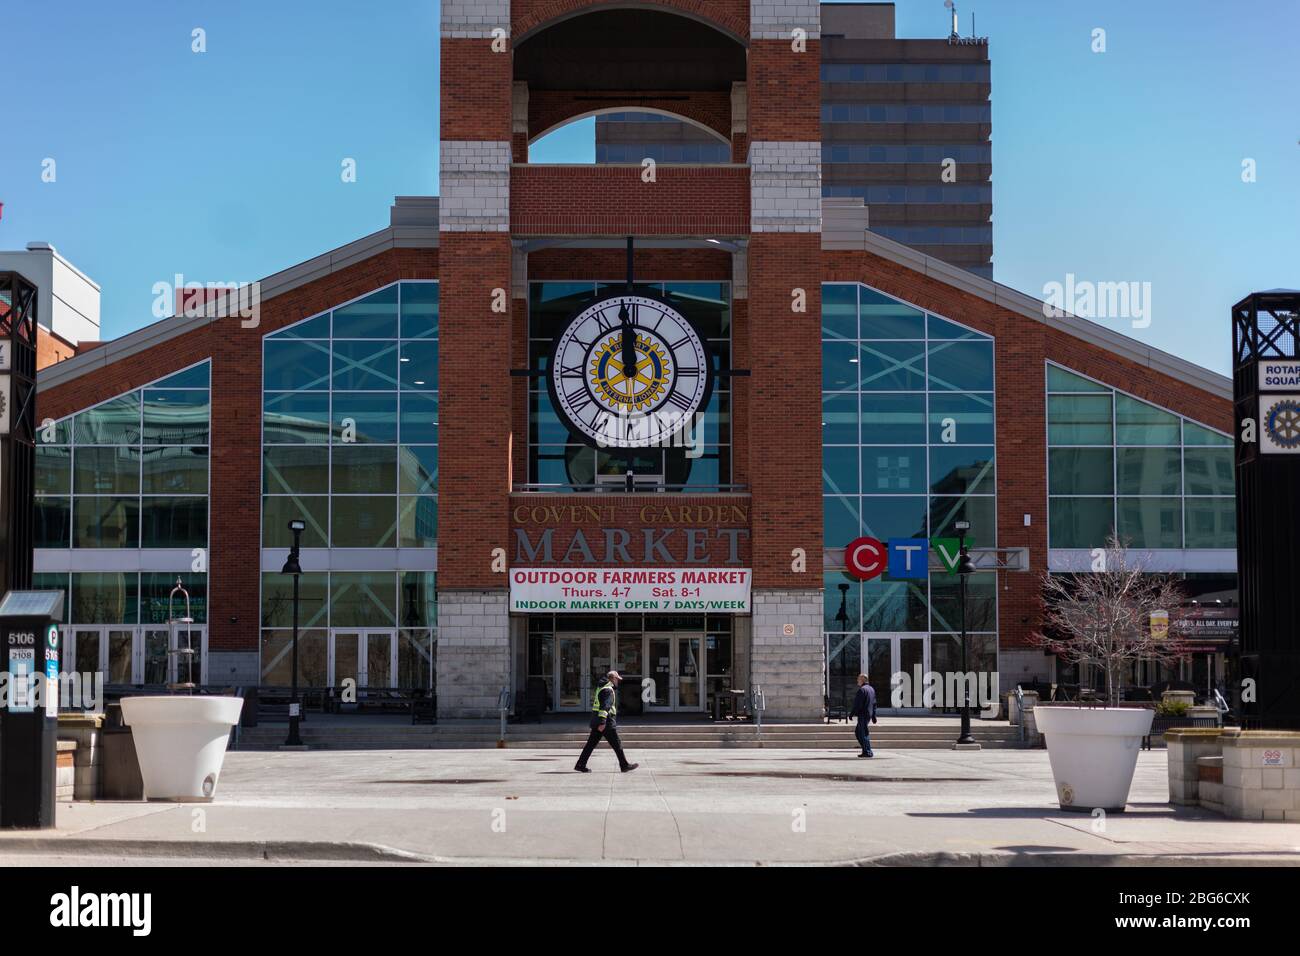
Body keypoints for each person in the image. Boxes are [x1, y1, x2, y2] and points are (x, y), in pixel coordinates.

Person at [574, 670, 639, 773]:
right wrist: (603, 722)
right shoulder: (608, 690)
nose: (618, 681)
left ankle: (580, 764)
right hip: (606, 723)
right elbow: (605, 707)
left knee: (590, 744)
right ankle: (624, 765)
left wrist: (600, 722)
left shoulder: (601, 687)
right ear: (612, 679)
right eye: (617, 679)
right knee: (617, 744)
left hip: (598, 721)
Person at [849, 673, 878, 758]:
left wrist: (852, 714)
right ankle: (866, 750)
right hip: (868, 714)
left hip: (863, 715)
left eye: (858, 679)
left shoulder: (862, 690)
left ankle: (868, 751)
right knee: (858, 732)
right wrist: (873, 716)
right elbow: (874, 704)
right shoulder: (871, 689)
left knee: (863, 733)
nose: (857, 680)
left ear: (863, 680)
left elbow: (857, 704)